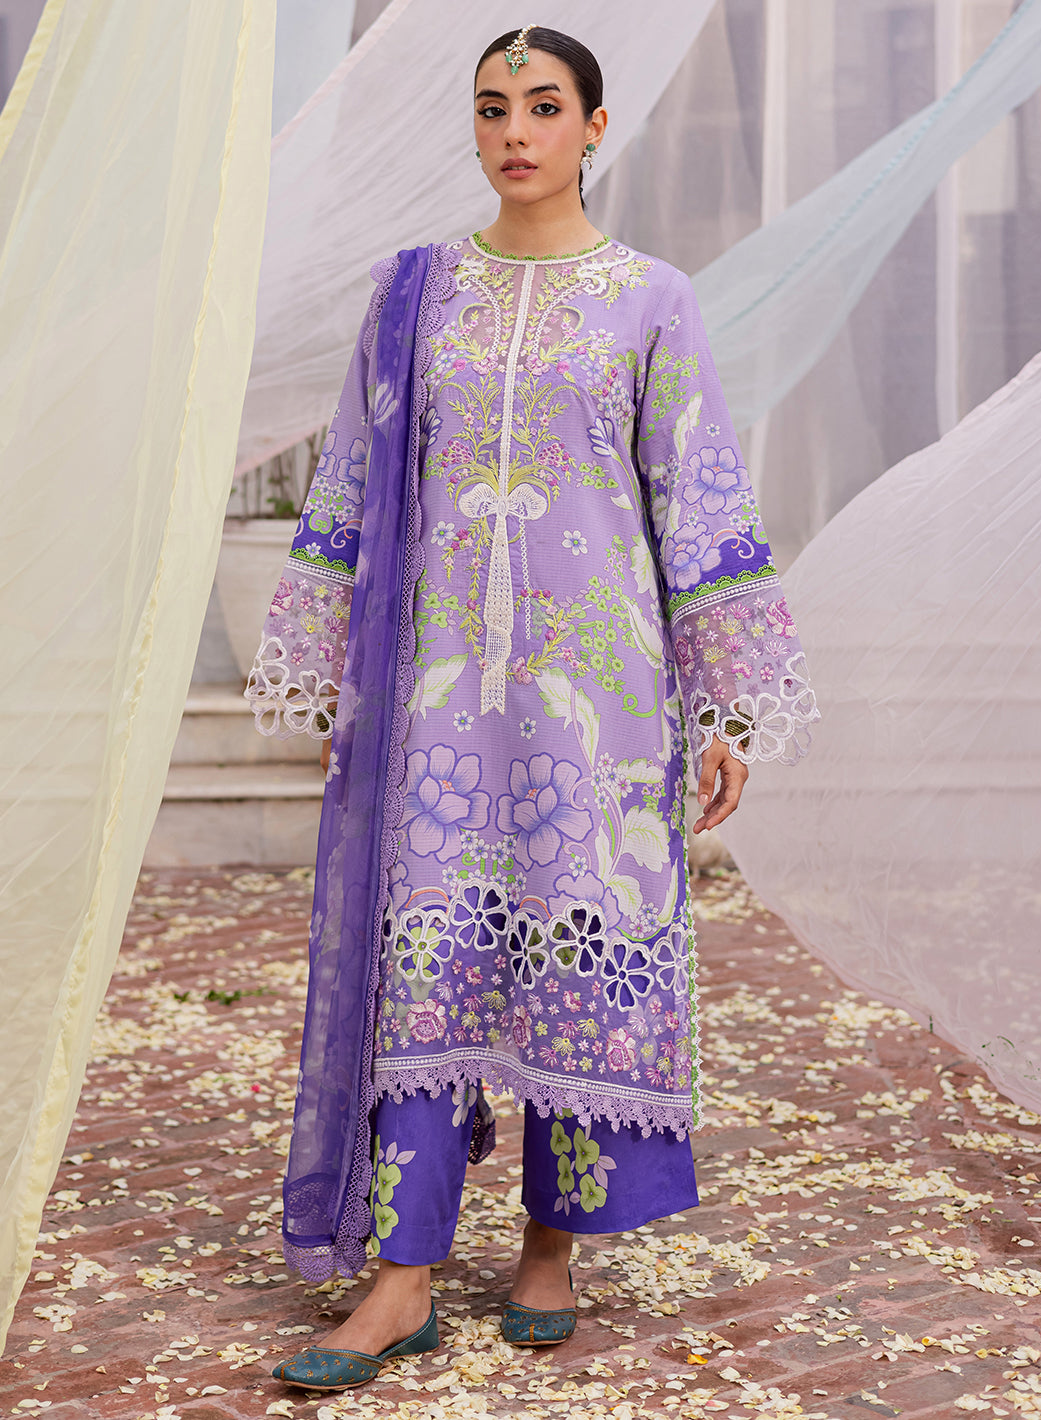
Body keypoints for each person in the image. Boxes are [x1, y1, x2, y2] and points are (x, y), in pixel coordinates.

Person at [246, 24, 818, 1393]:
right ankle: (400, 1279)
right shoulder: (416, 296)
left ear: (593, 128)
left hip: (598, 704)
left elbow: (698, 497)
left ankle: (550, 1247)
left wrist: (727, 705)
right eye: (494, 107)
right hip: (437, 697)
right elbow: (351, 484)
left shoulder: (649, 299)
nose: (515, 131)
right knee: (428, 962)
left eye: (544, 106)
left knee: (573, 947)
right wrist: (332, 677)